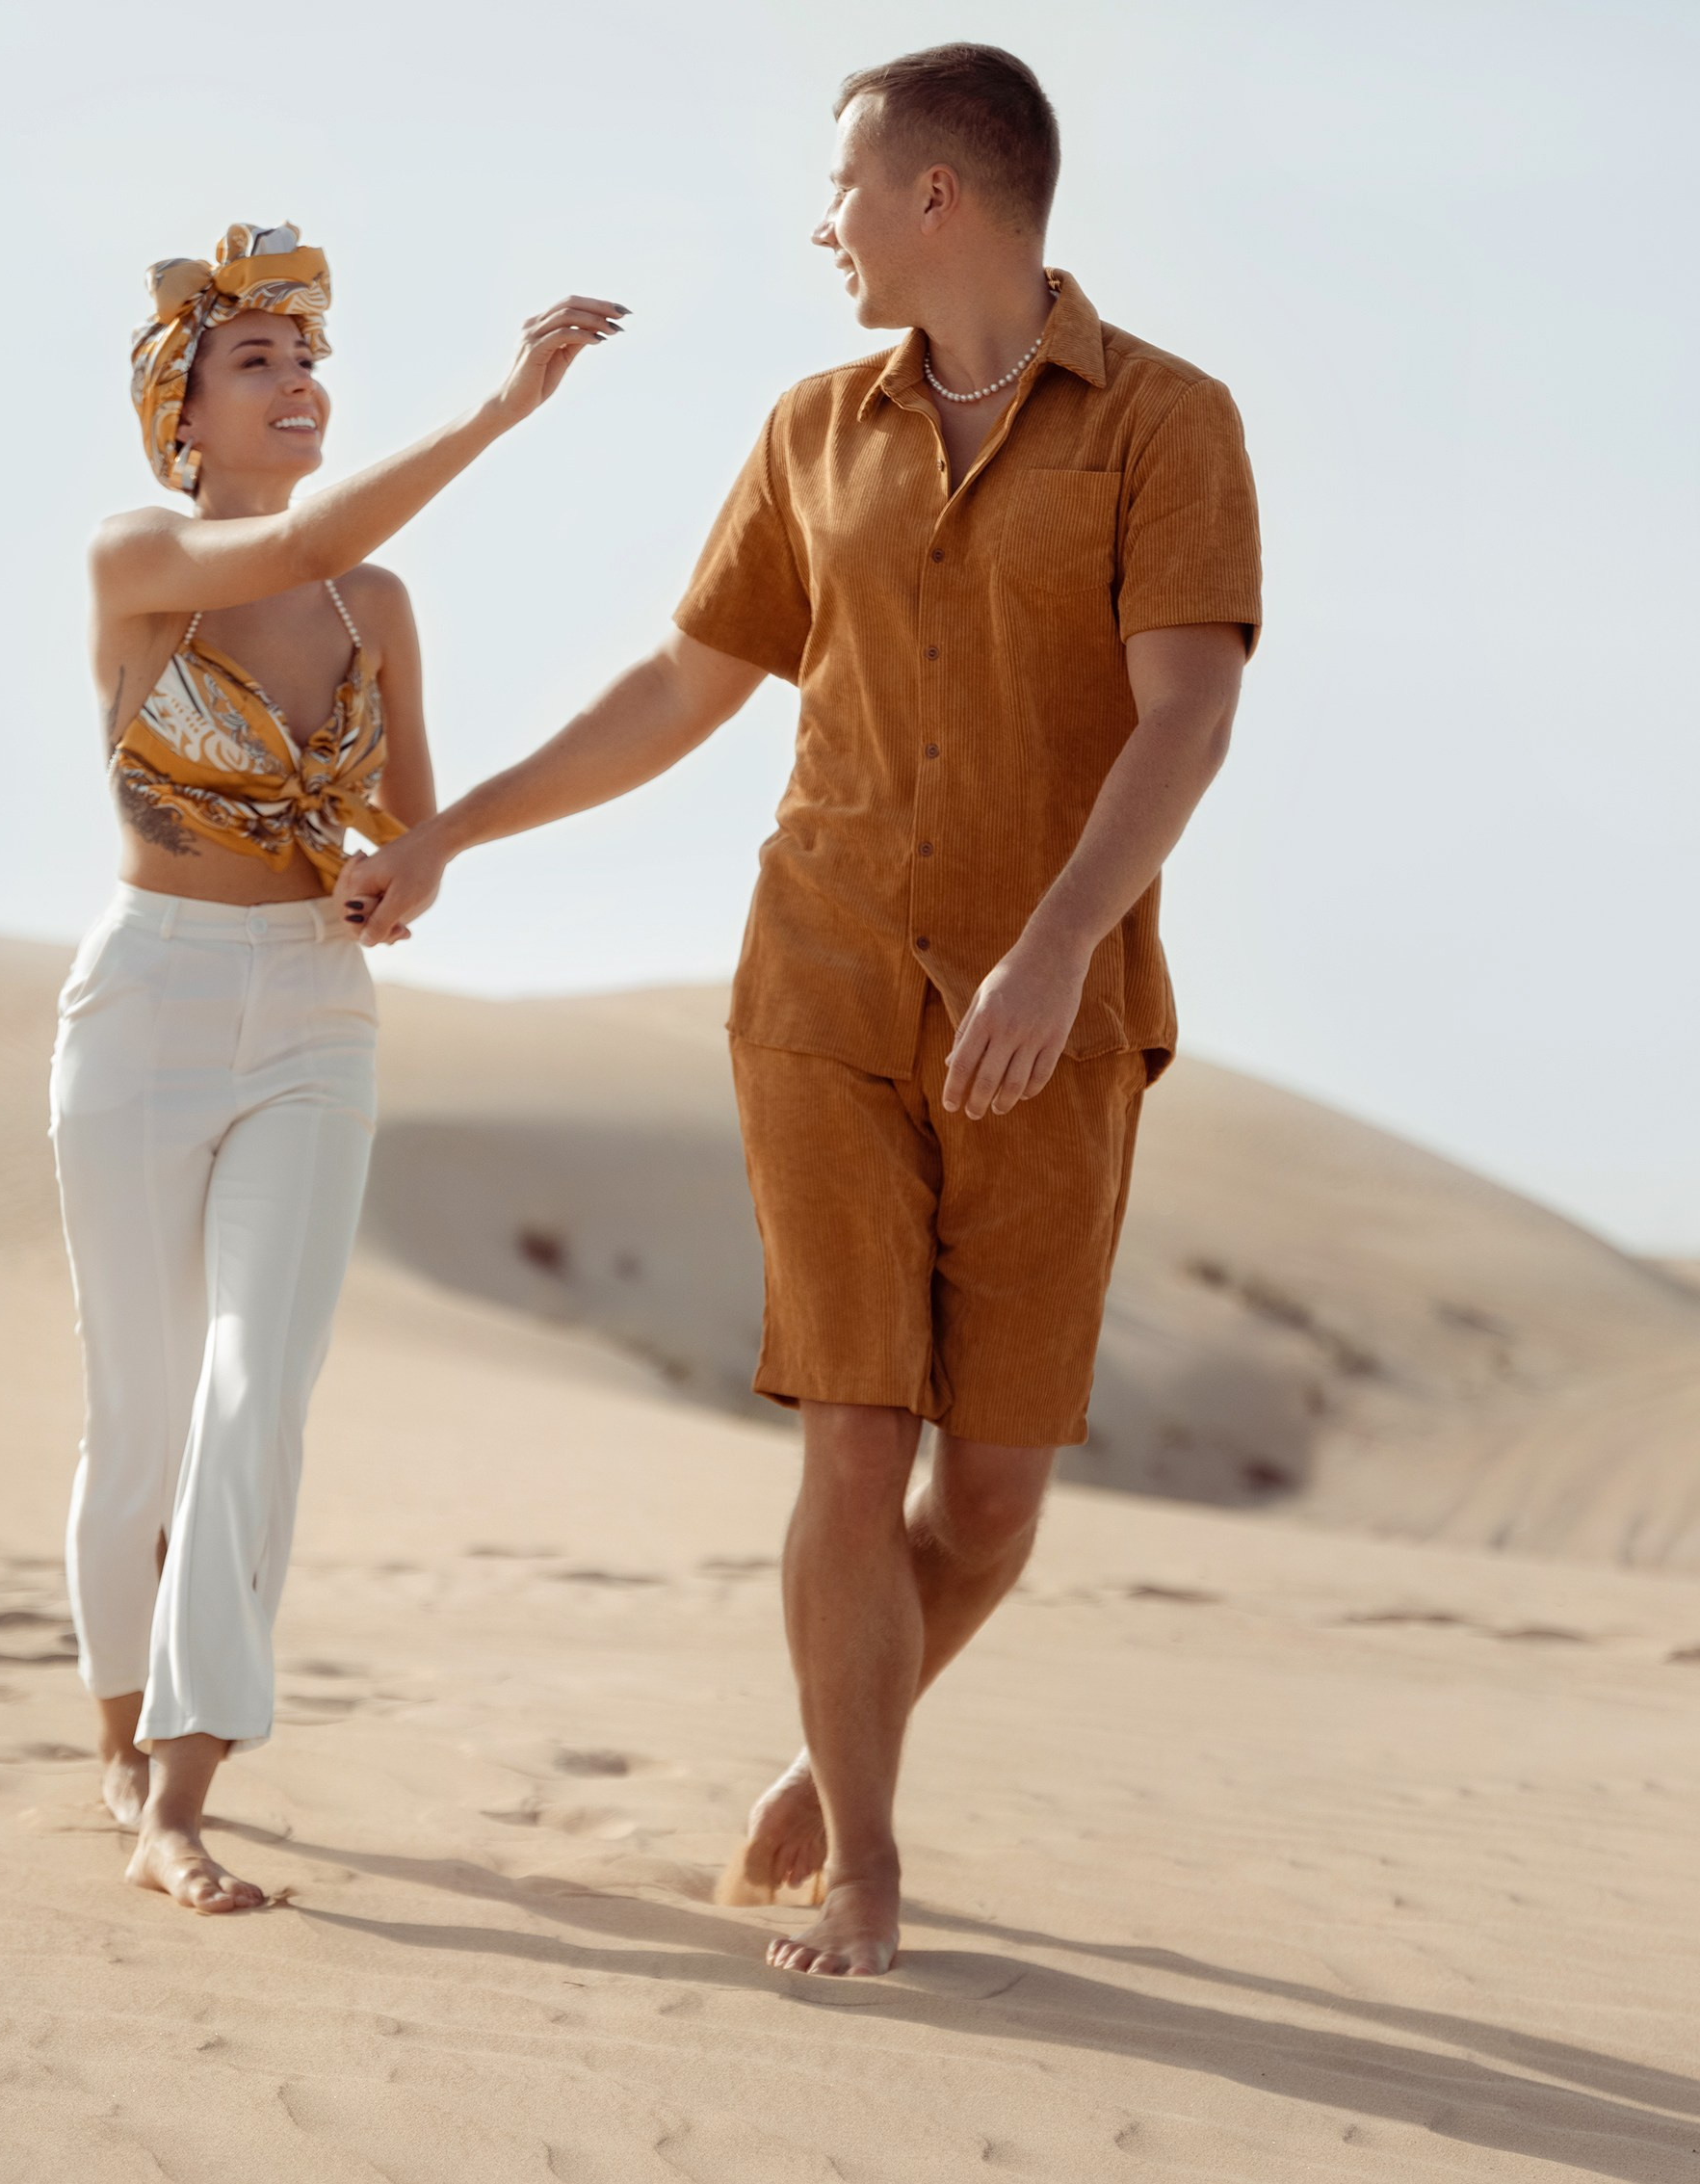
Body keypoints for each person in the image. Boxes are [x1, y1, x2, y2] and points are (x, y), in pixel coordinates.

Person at [339, 41, 1262, 1977]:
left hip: (1053, 1009)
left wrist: (1058, 939)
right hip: (822, 980)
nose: (819, 222)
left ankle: (836, 1735)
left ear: (942, 194)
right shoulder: (805, 430)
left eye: (844, 185)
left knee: (990, 1497)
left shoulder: (1169, 424)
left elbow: (1184, 713)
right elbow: (681, 693)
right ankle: (866, 1862)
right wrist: (452, 834)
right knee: (854, 1433)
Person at [57, 222, 623, 1912]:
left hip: (312, 1012)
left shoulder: (376, 603)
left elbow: (408, 806)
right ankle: (109, 1735)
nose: (300, 382)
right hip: (146, 1004)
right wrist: (500, 414)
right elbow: (299, 531)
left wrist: (420, 860)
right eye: (259, 363)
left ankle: (181, 1785)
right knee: (136, 1414)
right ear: (187, 412)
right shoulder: (134, 558)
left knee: (257, 1391)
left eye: (309, 359)